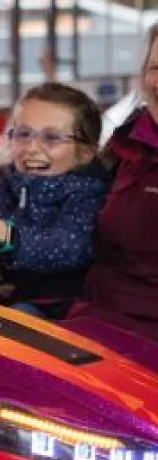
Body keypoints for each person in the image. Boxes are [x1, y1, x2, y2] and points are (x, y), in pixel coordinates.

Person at [0, 82, 110, 318]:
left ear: (86, 153)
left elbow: (69, 248)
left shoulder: (88, 193)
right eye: (23, 134)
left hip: (62, 307)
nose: (32, 148)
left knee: (17, 316)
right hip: (8, 296)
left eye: (51, 138)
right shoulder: (4, 186)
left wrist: (6, 235)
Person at [69, 24, 158, 342]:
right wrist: (9, 237)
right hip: (99, 317)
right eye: (155, 68)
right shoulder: (126, 144)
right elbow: (73, 215)